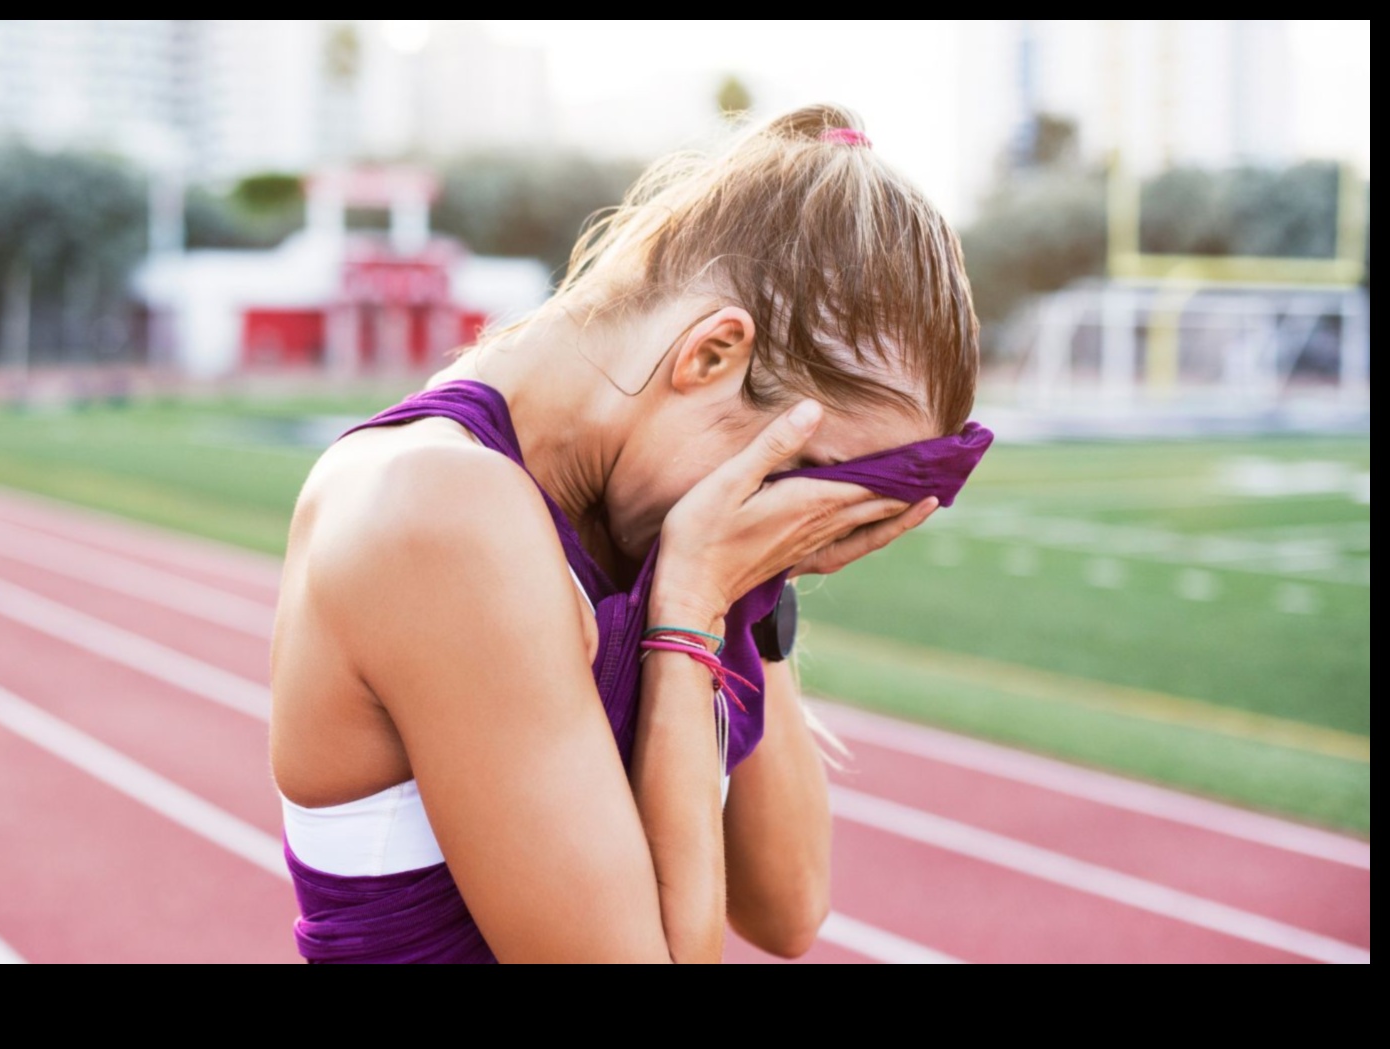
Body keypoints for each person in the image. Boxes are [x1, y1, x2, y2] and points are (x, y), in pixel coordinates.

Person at [269, 104, 990, 964]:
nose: (789, 524)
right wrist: (688, 608)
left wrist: (761, 581)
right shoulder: (439, 508)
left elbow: (788, 906)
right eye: (803, 477)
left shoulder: (672, 526)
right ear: (711, 357)